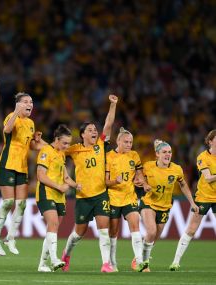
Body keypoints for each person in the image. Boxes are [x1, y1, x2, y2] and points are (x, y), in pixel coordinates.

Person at [61, 94, 118, 273]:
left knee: (103, 229)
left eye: (95, 129)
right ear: (83, 134)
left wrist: (113, 105)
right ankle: (66, 255)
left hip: (101, 194)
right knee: (78, 233)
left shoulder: (100, 145)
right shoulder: (75, 149)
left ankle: (106, 263)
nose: (95, 132)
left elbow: (108, 123)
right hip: (83, 197)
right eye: (91, 130)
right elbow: (57, 152)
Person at [0, 92, 45, 256]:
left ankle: (10, 238)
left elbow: (31, 146)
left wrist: (44, 145)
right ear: (18, 104)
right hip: (7, 165)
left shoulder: (31, 123)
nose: (30, 104)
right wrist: (15, 111)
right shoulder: (10, 117)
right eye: (26, 102)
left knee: (21, 204)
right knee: (8, 202)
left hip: (22, 167)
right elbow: (6, 130)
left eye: (31, 101)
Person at [138, 139, 199, 272]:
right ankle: (144, 264)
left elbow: (183, 185)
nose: (168, 154)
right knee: (151, 231)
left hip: (165, 206)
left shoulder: (176, 169)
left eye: (170, 152)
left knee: (154, 238)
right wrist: (144, 184)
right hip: (148, 203)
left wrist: (192, 203)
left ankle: (140, 256)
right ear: (157, 155)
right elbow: (138, 175)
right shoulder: (148, 166)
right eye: (164, 152)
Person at [36, 124, 81, 272]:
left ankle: (42, 264)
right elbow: (40, 175)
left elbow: (66, 177)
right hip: (46, 193)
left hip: (59, 196)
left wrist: (76, 185)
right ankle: (54, 259)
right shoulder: (45, 151)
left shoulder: (61, 154)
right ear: (56, 139)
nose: (67, 146)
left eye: (69, 143)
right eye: (64, 143)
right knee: (53, 223)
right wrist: (59, 186)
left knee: (53, 229)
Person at [169, 130, 216, 271]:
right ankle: (175, 262)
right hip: (203, 197)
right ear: (210, 141)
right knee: (191, 229)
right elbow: (208, 178)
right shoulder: (203, 157)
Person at [105, 127, 146, 272]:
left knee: (135, 225)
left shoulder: (134, 155)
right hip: (113, 198)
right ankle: (112, 262)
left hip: (130, 197)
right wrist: (115, 181)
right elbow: (105, 181)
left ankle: (139, 261)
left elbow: (140, 175)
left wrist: (140, 181)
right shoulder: (109, 156)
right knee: (113, 232)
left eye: (131, 142)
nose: (129, 145)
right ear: (118, 141)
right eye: (126, 142)